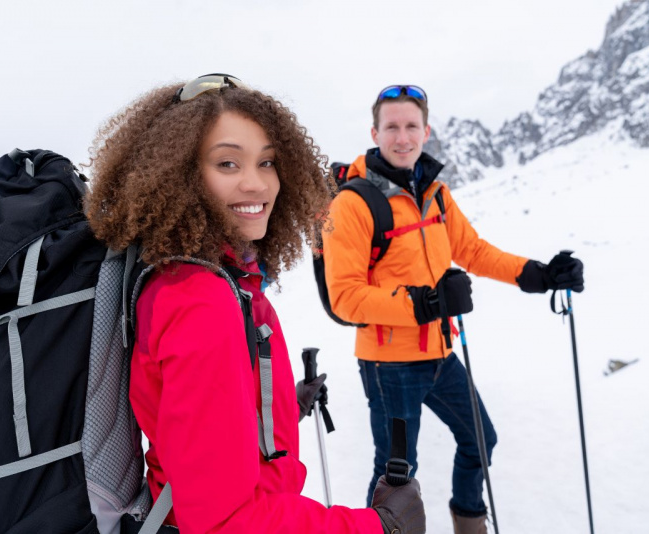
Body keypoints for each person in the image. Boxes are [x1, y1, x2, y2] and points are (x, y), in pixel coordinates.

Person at [85, 74, 426, 534]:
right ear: (179, 175)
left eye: (267, 162)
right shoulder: (200, 301)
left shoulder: (200, 276)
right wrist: (383, 526)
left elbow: (196, 417)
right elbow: (225, 522)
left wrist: (283, 403)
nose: (257, 183)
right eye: (228, 163)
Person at [321, 84, 585, 534]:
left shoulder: (436, 194)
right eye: (392, 127)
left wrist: (537, 274)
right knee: (396, 477)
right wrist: (426, 303)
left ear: (426, 131)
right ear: (374, 132)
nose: (402, 137)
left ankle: (468, 524)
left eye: (411, 126)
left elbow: (474, 251)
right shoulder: (354, 202)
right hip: (389, 366)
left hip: (441, 355)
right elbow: (345, 296)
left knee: (480, 441)